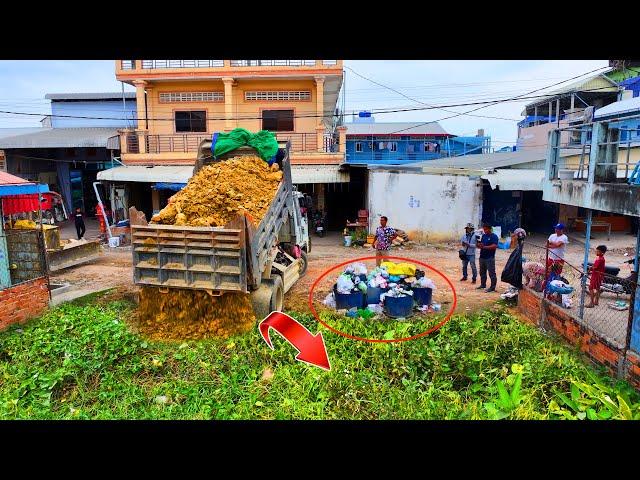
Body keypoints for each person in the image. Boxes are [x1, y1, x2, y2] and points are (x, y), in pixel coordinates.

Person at [476, 222, 499, 292]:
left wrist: (484, 247)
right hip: (482, 256)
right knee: (482, 272)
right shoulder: (484, 236)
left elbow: (494, 246)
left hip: (490, 257)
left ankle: (492, 287)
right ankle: (483, 284)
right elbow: (482, 245)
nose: (485, 231)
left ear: (490, 229)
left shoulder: (494, 236)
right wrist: (478, 245)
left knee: (491, 272)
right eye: (484, 229)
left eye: (486, 229)